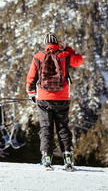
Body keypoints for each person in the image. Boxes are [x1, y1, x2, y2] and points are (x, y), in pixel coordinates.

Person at [26, 32, 83, 169]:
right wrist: (68, 48)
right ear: (57, 43)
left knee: (46, 127)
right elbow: (79, 60)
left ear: (45, 44)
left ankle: (46, 157)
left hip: (43, 98)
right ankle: (68, 157)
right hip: (62, 97)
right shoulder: (64, 56)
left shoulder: (38, 57)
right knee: (63, 127)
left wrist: (31, 94)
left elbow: (31, 78)